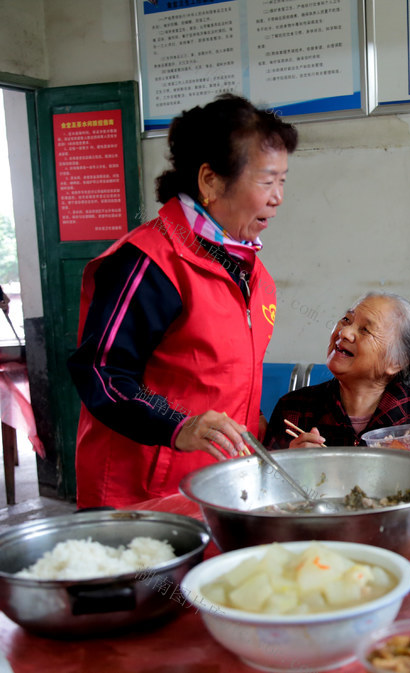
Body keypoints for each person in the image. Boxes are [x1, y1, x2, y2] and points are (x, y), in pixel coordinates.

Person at [69, 94, 298, 508]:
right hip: (140, 498)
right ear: (210, 180)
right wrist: (178, 426)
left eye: (282, 180)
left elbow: (224, 389)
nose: (278, 196)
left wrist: (276, 445)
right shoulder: (150, 261)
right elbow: (101, 371)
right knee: (154, 577)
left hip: (220, 490)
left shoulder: (252, 273)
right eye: (267, 181)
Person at [263, 292, 410, 462]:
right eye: (346, 320)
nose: (344, 333)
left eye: (365, 330)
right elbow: (264, 483)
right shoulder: (294, 408)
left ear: (396, 362)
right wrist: (289, 462)